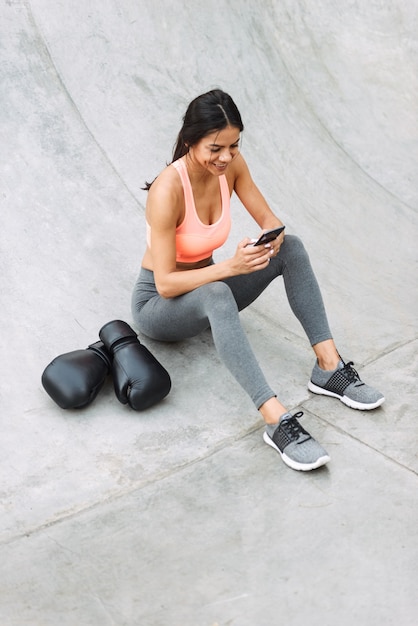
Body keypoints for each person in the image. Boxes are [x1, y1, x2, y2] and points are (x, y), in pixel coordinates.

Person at [131, 89, 384, 472]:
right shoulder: (167, 190)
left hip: (210, 287)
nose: (226, 156)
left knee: (292, 248)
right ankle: (275, 419)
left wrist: (271, 236)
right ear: (189, 140)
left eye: (234, 145)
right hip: (161, 307)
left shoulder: (230, 166)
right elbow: (165, 283)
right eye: (216, 147)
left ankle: (329, 367)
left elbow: (269, 219)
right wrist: (231, 267)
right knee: (216, 292)